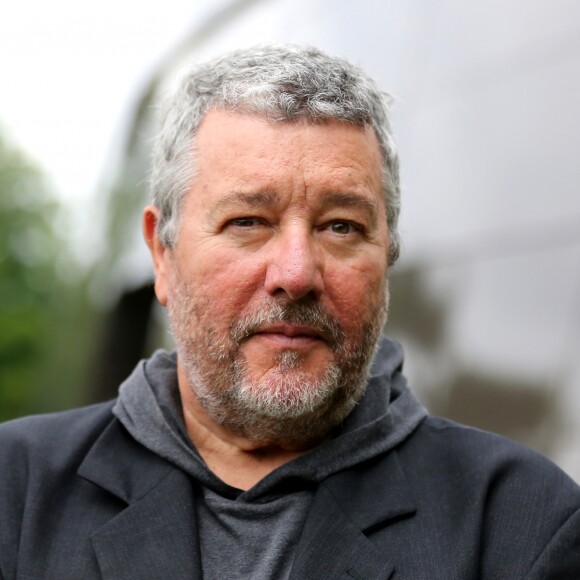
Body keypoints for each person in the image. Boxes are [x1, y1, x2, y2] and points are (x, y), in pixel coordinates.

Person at [0, 45, 578, 580]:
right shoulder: (15, 491)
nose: (296, 273)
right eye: (248, 222)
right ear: (163, 252)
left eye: (341, 227)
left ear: (387, 254)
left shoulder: (522, 523)